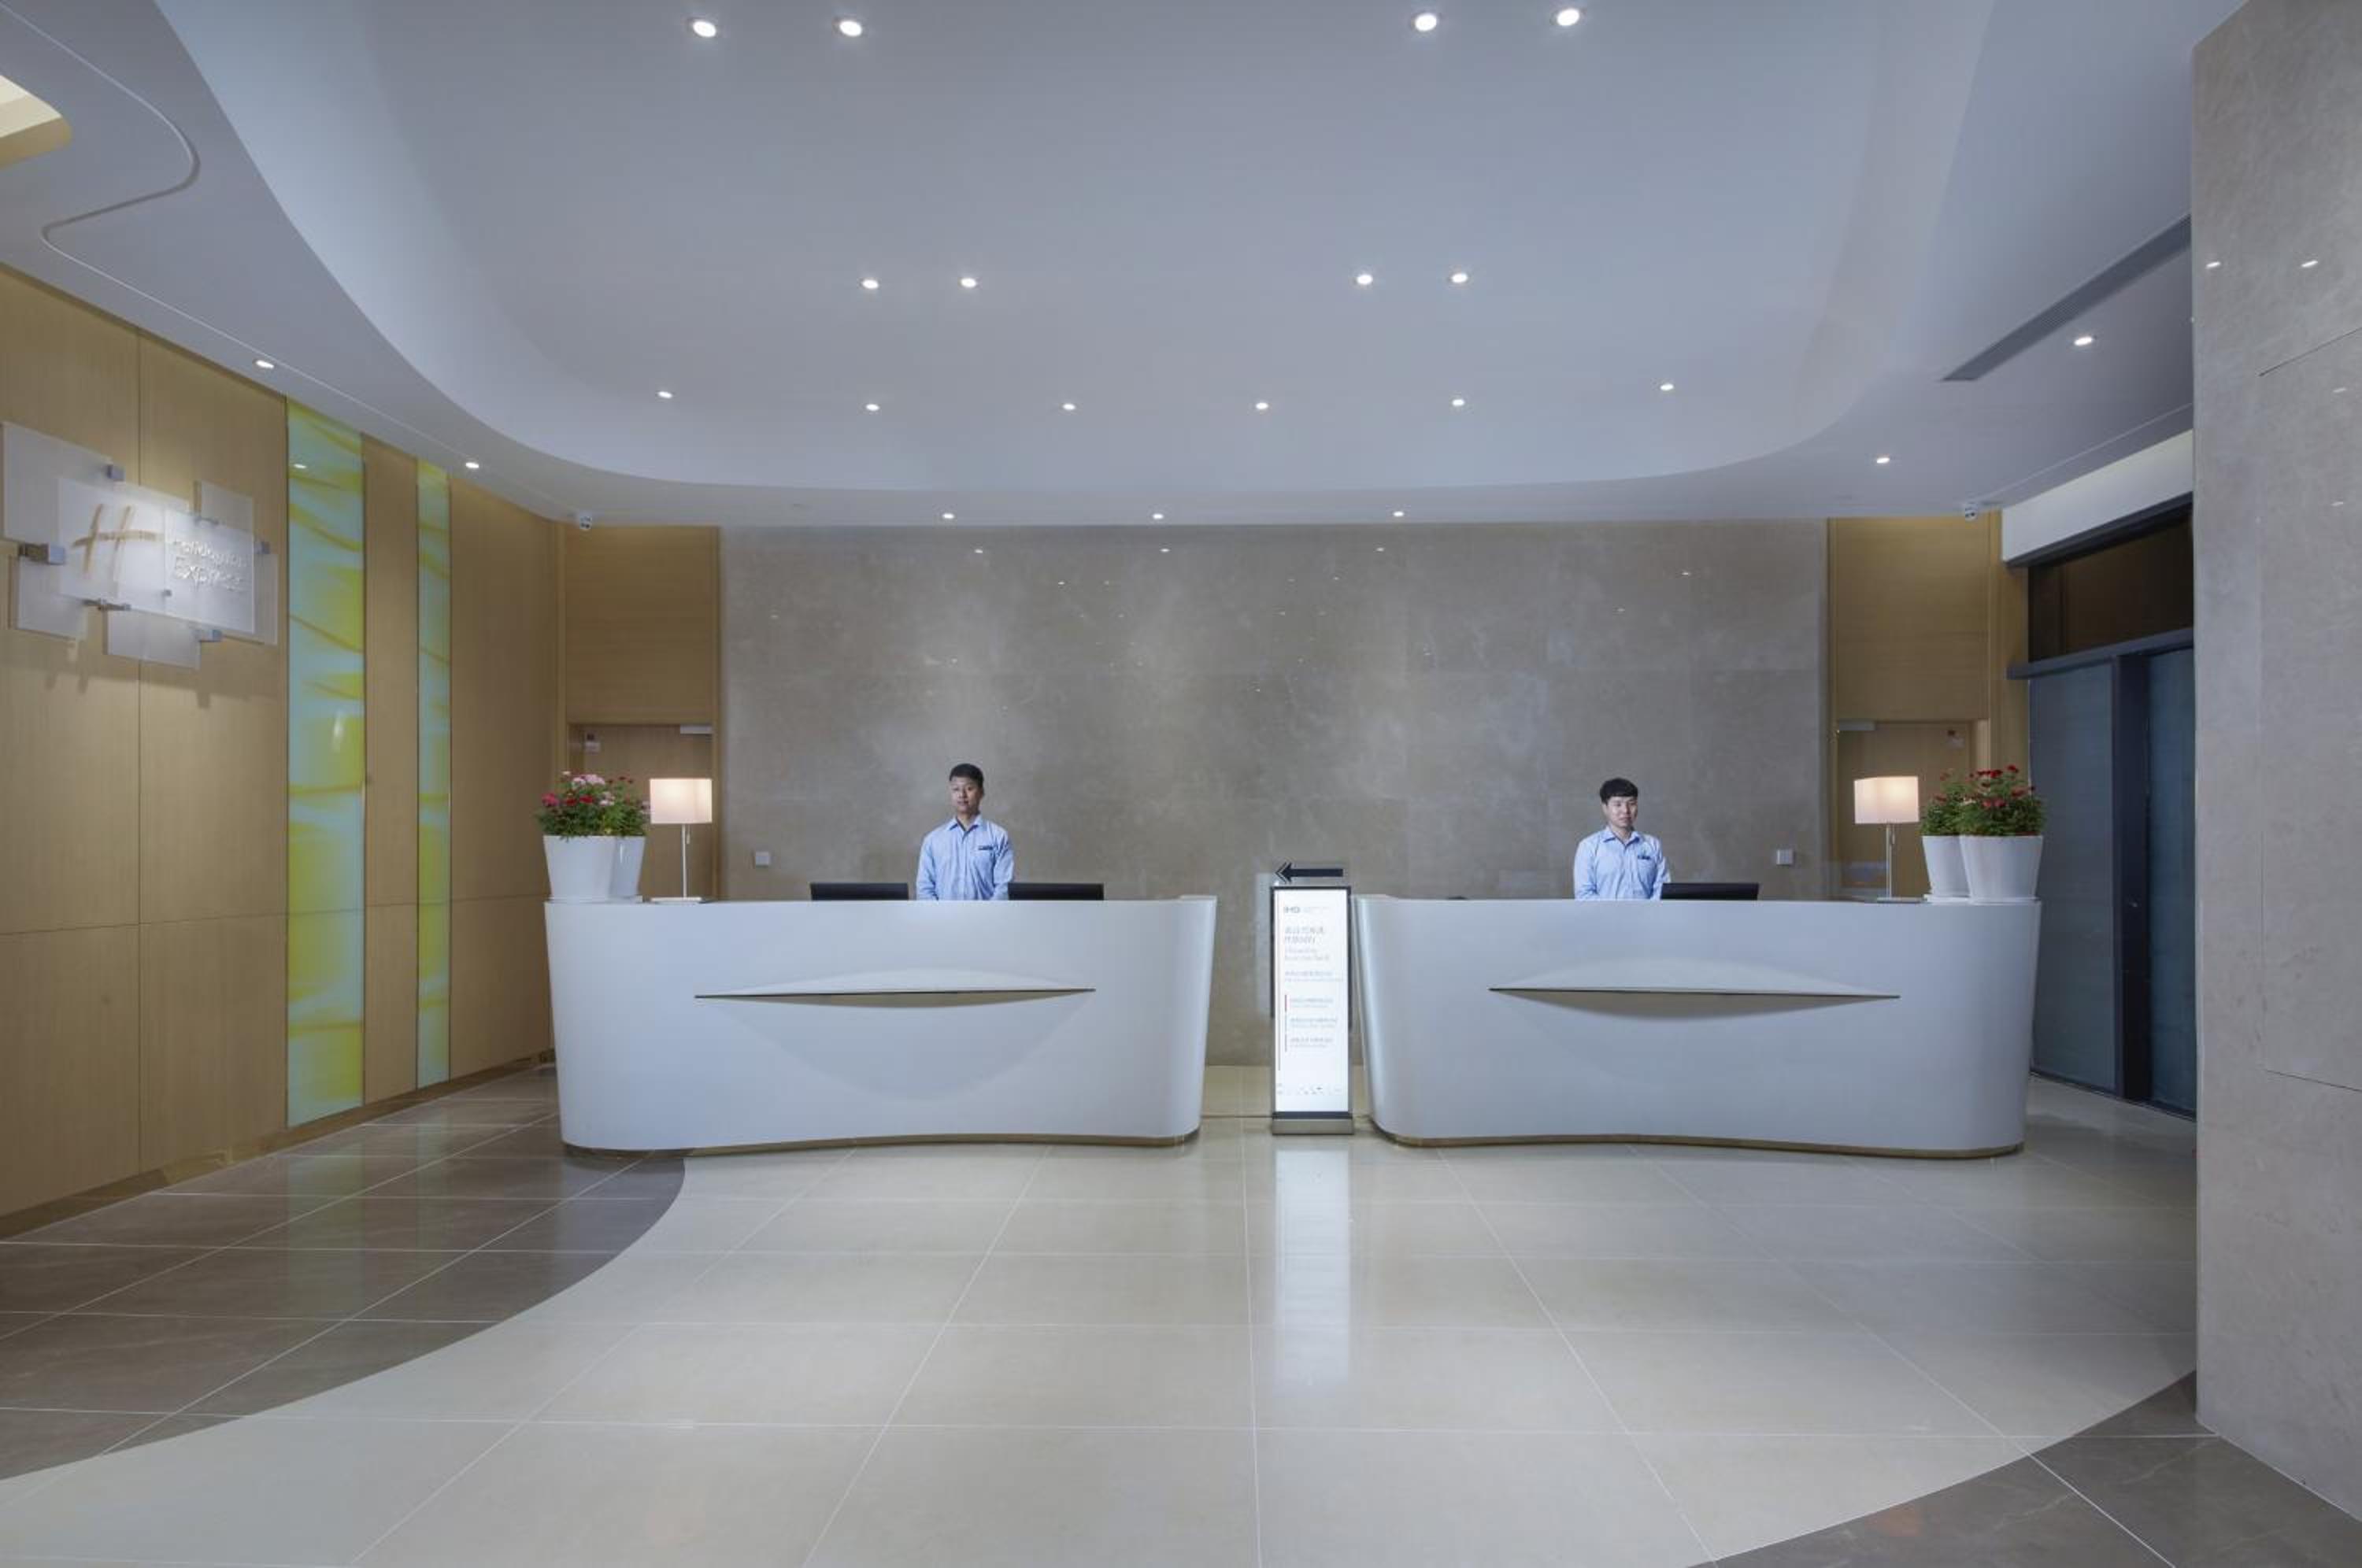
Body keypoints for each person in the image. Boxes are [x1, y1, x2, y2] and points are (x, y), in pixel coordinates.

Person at [915, 762, 1013, 900]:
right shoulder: (933, 840)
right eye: (956, 789)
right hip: (942, 914)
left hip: (987, 914)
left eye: (969, 788)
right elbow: (924, 888)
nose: (962, 795)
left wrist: (989, 913)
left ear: (981, 792)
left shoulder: (998, 836)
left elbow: (1004, 887)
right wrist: (937, 913)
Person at [1572, 776, 1668, 900]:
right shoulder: (1588, 847)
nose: (1626, 810)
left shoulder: (1652, 844)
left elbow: (1662, 889)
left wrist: (1647, 911)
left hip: (1649, 913)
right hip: (1603, 913)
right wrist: (1614, 911)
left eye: (1631, 804)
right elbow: (1584, 894)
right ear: (1605, 808)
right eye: (1618, 804)